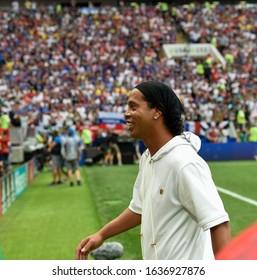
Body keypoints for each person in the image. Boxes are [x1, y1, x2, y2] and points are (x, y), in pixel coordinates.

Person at [76, 81, 231, 260]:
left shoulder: (184, 162)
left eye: (133, 107)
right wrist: (101, 235)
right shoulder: (148, 158)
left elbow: (218, 223)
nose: (127, 114)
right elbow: (139, 209)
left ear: (157, 111)